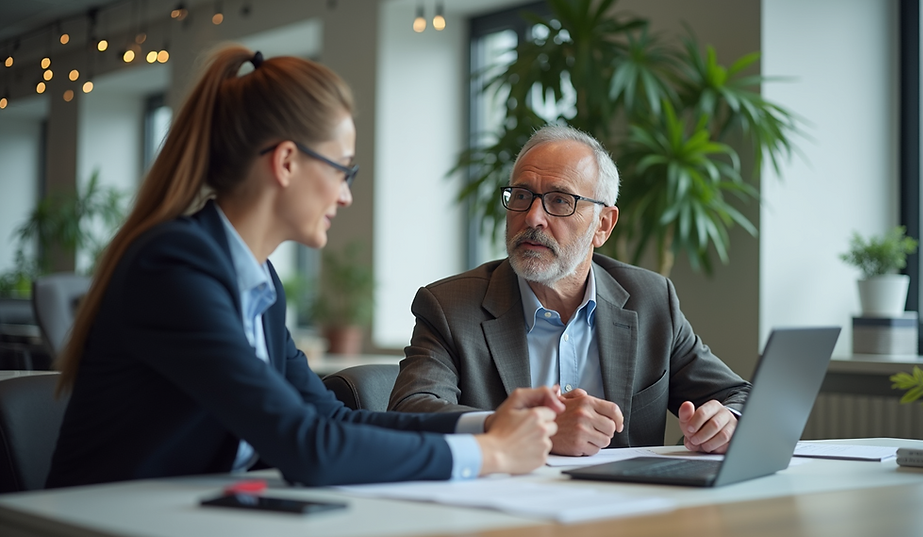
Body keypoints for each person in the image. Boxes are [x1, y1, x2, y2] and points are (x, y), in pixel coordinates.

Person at [46, 46, 563, 489]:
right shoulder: (174, 267)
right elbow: (306, 447)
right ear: (287, 162)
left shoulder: (258, 281)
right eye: (343, 171)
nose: (345, 195)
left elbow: (330, 418)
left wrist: (488, 425)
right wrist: (490, 455)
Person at [388, 125, 752, 457]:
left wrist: (726, 421)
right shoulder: (450, 307)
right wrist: (532, 428)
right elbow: (410, 411)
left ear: (603, 225)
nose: (533, 217)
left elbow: (740, 395)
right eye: (521, 195)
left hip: (627, 503)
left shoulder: (650, 300)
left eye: (560, 200)